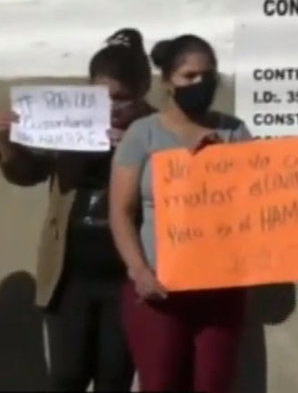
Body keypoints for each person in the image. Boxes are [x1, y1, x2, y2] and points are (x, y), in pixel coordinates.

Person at [0, 28, 154, 391]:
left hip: (127, 277)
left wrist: (136, 149)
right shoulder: (70, 119)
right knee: (67, 375)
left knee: (114, 375)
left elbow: (177, 188)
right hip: (70, 276)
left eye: (121, 98)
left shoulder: (156, 130)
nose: (111, 107)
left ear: (143, 91)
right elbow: (26, 173)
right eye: (101, 96)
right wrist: (8, 140)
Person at [109, 34, 252, 393]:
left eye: (208, 75)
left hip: (220, 290)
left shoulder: (234, 132)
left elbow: (258, 201)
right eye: (189, 76)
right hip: (159, 292)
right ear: (167, 82)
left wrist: (225, 163)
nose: (199, 83)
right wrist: (139, 271)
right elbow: (121, 212)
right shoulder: (144, 134)